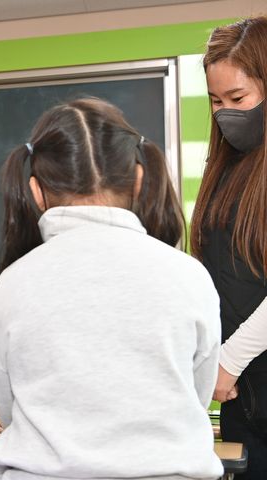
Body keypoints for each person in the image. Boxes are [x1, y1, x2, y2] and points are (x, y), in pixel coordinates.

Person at [0, 97, 223, 479]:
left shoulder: (12, 284)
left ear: (36, 190)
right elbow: (195, 397)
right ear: (140, 179)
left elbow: (11, 412)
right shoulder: (188, 275)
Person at [190, 16, 267, 479]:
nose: (225, 113)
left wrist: (227, 361)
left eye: (238, 99)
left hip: (239, 373)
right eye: (216, 101)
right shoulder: (226, 170)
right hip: (244, 402)